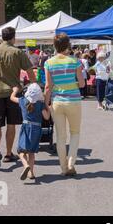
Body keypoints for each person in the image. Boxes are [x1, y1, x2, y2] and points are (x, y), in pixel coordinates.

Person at [0, 27, 35, 170]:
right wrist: (34, 85)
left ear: (2, 37)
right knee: (11, 123)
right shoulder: (17, 52)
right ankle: (8, 153)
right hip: (14, 92)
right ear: (13, 37)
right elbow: (30, 72)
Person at [44, 33, 85, 176]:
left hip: (57, 102)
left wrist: (45, 103)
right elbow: (82, 83)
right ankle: (71, 163)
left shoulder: (48, 63)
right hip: (73, 101)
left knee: (60, 136)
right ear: (67, 45)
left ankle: (63, 168)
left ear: (54, 46)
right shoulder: (75, 62)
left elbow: (48, 86)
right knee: (75, 133)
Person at [10, 83, 50, 180]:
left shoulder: (23, 101)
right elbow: (47, 117)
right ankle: (31, 173)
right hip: (37, 129)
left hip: (26, 127)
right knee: (31, 152)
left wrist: (15, 90)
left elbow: (12, 98)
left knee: (21, 151)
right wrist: (46, 105)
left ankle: (25, 165)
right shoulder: (40, 104)